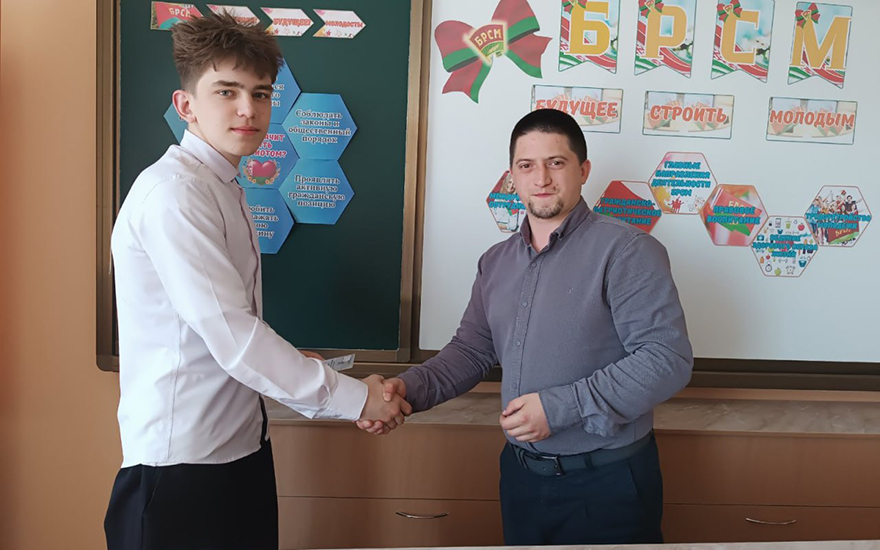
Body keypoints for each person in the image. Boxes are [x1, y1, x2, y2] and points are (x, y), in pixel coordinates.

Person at [105, 13, 409, 550]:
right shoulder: (175, 194)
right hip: (182, 468)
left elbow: (226, 327)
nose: (248, 109)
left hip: (238, 448)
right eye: (227, 91)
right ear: (186, 105)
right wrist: (357, 399)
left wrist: (301, 364)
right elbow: (234, 338)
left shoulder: (223, 184)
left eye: (261, 93)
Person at [360, 109, 693, 545]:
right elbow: (472, 350)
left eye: (556, 163)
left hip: (608, 483)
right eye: (526, 165)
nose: (541, 179)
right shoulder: (496, 261)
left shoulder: (627, 251)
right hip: (521, 479)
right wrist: (407, 390)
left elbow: (666, 359)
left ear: (583, 170)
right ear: (512, 177)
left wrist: (558, 409)